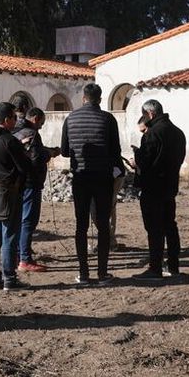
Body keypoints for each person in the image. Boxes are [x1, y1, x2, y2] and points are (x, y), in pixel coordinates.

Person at [61, 83, 122, 285]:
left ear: (83, 98)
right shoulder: (108, 119)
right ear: (100, 99)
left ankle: (83, 273)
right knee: (103, 225)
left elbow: (64, 151)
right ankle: (102, 273)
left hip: (80, 178)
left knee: (81, 225)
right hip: (103, 178)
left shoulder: (70, 119)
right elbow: (115, 151)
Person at [132, 100, 187, 280]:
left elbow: (147, 161)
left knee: (154, 229)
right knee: (170, 225)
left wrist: (136, 160)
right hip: (170, 186)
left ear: (150, 114)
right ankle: (173, 265)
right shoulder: (178, 133)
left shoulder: (152, 133)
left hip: (152, 187)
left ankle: (155, 268)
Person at [0, 101, 32, 290]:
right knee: (10, 236)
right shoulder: (9, 141)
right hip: (11, 192)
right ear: (6, 120)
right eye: (14, 117)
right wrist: (23, 149)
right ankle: (10, 278)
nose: (16, 121)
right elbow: (24, 167)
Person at [13, 107, 59, 273]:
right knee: (28, 220)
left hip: (18, 182)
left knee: (19, 220)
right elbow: (36, 157)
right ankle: (25, 259)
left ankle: (18, 253)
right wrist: (50, 153)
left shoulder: (15, 131)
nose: (41, 127)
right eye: (41, 123)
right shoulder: (30, 133)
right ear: (36, 118)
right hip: (30, 182)